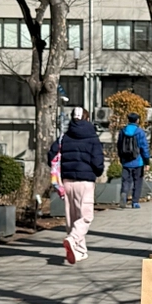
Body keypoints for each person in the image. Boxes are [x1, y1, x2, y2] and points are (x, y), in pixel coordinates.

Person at [49, 107, 105, 264]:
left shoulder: (64, 137)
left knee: (72, 218)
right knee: (86, 216)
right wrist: (96, 171)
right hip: (85, 182)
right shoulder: (92, 137)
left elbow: (51, 155)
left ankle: (79, 251)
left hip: (67, 182)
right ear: (87, 118)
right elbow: (97, 162)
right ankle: (73, 240)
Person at [117, 112, 151, 208]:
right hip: (138, 161)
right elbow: (144, 147)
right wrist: (146, 161)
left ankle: (124, 193)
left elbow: (119, 146)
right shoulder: (140, 132)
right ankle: (135, 202)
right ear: (137, 120)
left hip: (125, 161)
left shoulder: (122, 131)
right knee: (138, 181)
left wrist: (121, 158)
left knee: (125, 181)